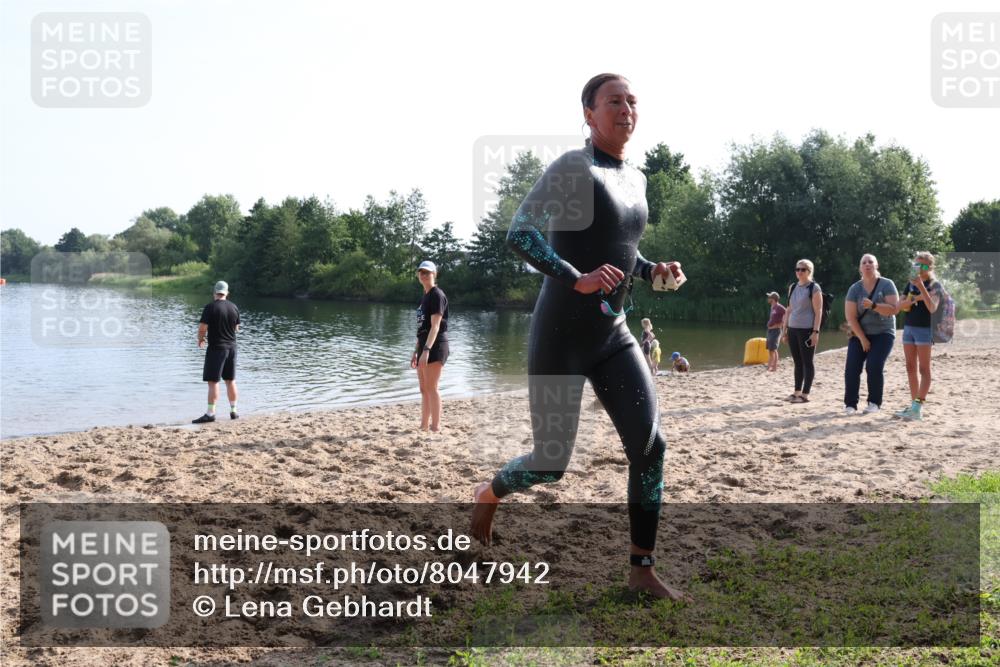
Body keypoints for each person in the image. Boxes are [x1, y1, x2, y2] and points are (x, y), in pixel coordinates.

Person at [470, 73, 689, 601]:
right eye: (614, 101)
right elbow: (520, 231)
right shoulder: (574, 168)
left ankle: (641, 570)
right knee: (550, 463)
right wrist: (576, 276)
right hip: (560, 336)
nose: (627, 109)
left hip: (613, 334)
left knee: (650, 447)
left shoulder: (635, 178)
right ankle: (489, 493)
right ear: (589, 113)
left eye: (633, 101)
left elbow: (621, 248)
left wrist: (651, 269)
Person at [843, 254, 899, 415]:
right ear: (860, 268)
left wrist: (874, 305)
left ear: (876, 265)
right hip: (860, 333)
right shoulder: (855, 289)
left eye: (870, 262)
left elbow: (894, 309)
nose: (867, 264)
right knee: (852, 368)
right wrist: (862, 339)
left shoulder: (887, 284)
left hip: (883, 333)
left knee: (874, 365)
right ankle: (850, 405)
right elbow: (850, 317)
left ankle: (874, 403)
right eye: (864, 262)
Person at [894, 251, 942, 421]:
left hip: (924, 329)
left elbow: (932, 308)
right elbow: (899, 305)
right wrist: (913, 299)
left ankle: (917, 406)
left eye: (921, 265)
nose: (918, 268)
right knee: (910, 367)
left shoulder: (935, 285)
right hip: (908, 328)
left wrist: (921, 288)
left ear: (929, 267)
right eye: (916, 264)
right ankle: (914, 406)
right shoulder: (910, 283)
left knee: (924, 369)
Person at [192, 281, 240, 424]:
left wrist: (201, 339)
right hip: (232, 348)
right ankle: (234, 411)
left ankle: (210, 413)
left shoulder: (210, 307)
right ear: (227, 293)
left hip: (217, 348)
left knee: (213, 382)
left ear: (215, 293)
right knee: (230, 381)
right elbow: (236, 328)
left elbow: (202, 328)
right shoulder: (234, 307)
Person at [411, 260, 449, 432]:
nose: (424, 275)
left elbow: (435, 326)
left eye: (427, 272)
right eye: (421, 272)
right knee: (423, 388)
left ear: (435, 274)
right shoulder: (425, 296)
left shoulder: (436, 295)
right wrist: (416, 350)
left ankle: (435, 426)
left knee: (432, 387)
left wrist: (426, 350)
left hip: (435, 346)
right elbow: (422, 328)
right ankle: (424, 425)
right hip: (423, 346)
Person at [780, 259, 823, 403]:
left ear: (809, 272)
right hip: (792, 329)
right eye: (797, 269)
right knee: (797, 362)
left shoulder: (814, 288)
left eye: (802, 269)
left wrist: (815, 332)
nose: (799, 272)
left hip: (807, 330)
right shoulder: (792, 287)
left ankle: (805, 395)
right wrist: (784, 331)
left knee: (807, 362)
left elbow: (818, 311)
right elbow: (789, 310)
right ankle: (796, 392)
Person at [765, 292, 786, 372]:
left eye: (769, 297)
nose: (768, 299)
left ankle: (774, 367)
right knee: (770, 349)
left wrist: (781, 324)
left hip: (776, 330)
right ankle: (770, 366)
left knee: (774, 349)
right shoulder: (772, 307)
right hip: (770, 330)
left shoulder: (779, 307)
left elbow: (787, 313)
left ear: (773, 299)